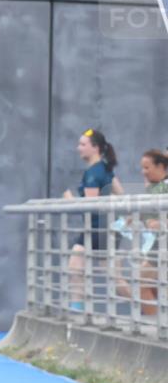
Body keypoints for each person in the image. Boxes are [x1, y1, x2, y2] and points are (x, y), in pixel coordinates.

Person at [62, 128, 123, 311]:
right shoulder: (104, 168)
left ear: (95, 148)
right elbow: (120, 194)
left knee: (112, 278)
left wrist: (69, 200)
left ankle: (148, 307)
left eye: (82, 144)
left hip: (98, 230)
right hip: (101, 229)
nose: (78, 148)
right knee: (77, 266)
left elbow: (90, 206)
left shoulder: (93, 174)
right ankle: (77, 309)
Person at [138, 149, 167, 315]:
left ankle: (155, 326)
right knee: (148, 283)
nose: (144, 172)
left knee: (142, 281)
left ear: (161, 166)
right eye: (142, 168)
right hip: (159, 243)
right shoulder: (154, 188)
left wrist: (161, 223)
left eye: (147, 168)